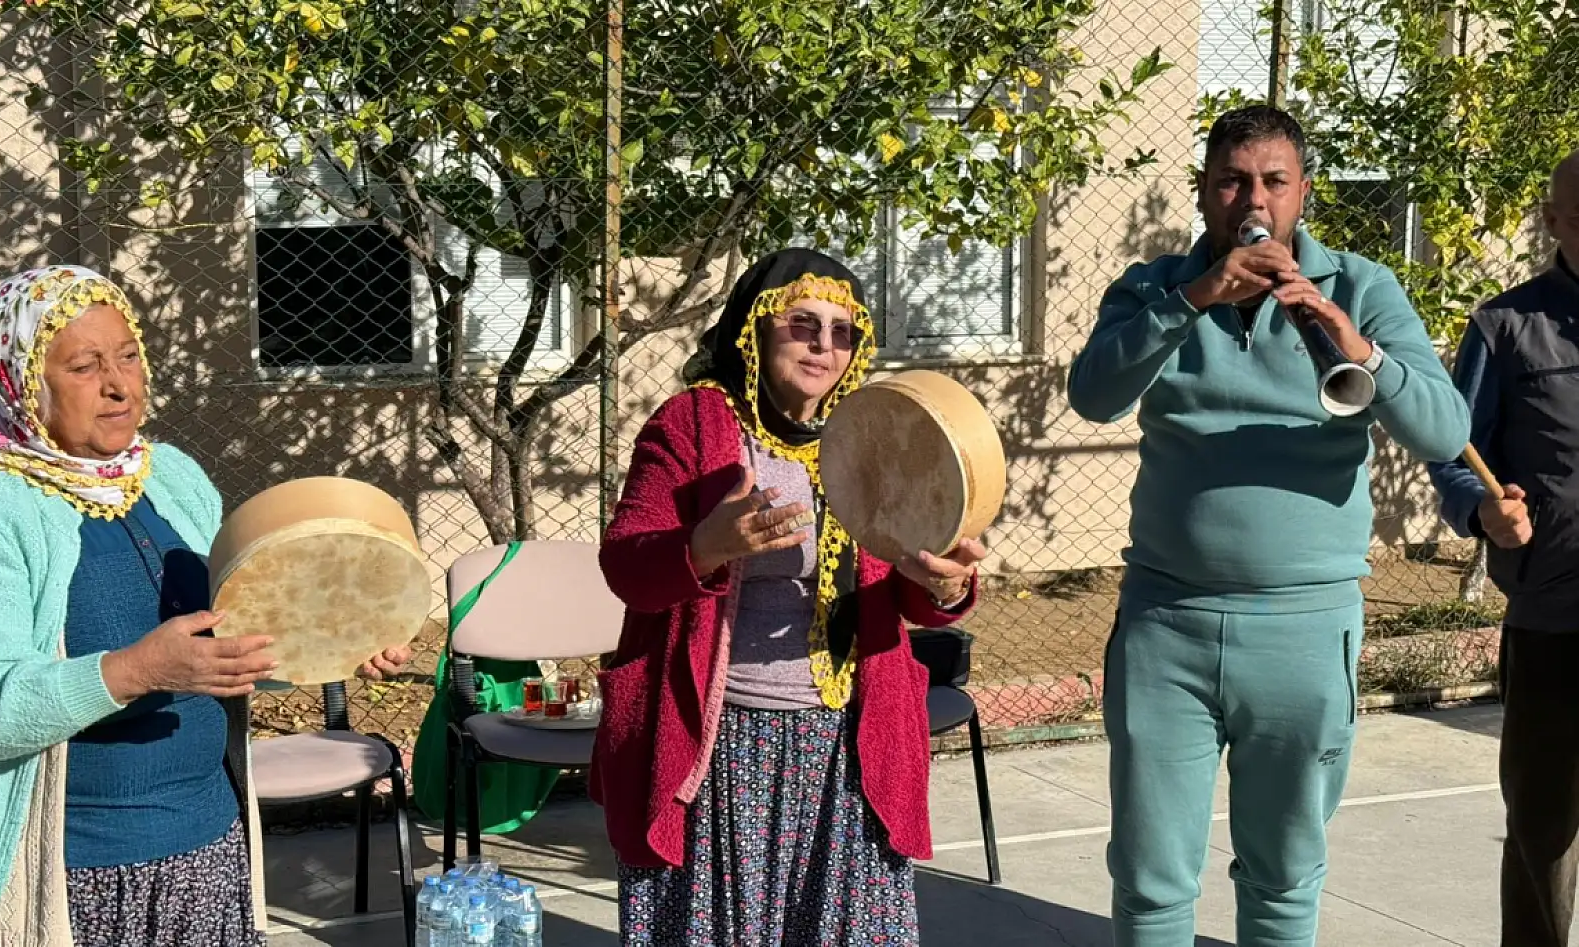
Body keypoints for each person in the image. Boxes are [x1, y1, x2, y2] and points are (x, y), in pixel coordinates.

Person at [0, 265, 412, 947]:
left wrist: (340, 640)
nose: (119, 383)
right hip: (66, 870)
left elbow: (224, 641)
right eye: (84, 365)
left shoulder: (170, 476)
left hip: (206, 844)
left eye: (129, 355)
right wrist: (138, 669)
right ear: (21, 382)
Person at [1066, 105, 1471, 947]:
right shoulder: (1153, 286)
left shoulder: (1361, 285)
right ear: (1206, 192)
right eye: (1233, 181)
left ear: (1303, 194)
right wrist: (1194, 297)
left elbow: (1442, 429)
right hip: (1167, 624)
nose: (1254, 200)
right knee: (1149, 878)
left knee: (1284, 878)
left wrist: (1360, 351)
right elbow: (1094, 394)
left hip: (1306, 630)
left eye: (1274, 182)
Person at [591, 248, 987, 946]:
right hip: (720, 746)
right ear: (755, 329)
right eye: (802, 322)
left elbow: (907, 591)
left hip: (843, 745)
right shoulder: (691, 425)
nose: (823, 345)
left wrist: (945, 583)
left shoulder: (876, 434)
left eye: (843, 331)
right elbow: (626, 564)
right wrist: (706, 544)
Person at [1426, 148, 1579, 947]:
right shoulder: (1504, 325)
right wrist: (1483, 508)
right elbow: (1451, 450)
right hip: (1553, 617)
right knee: (1542, 830)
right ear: (1553, 220)